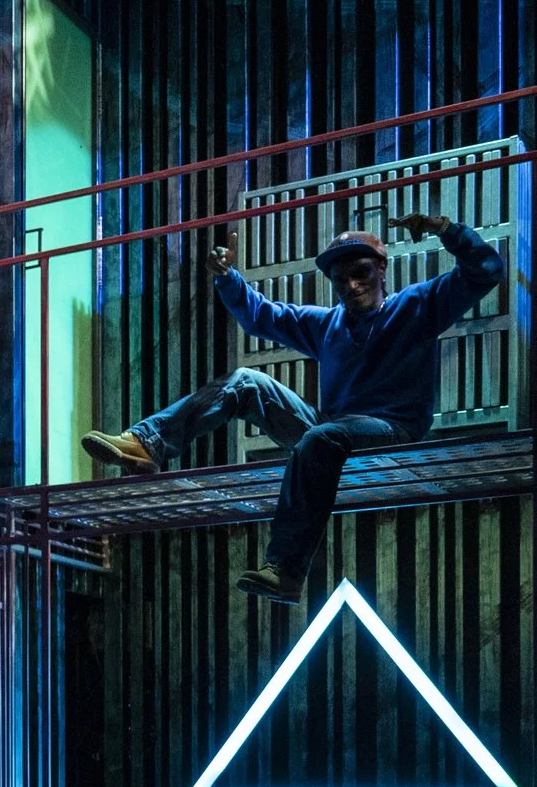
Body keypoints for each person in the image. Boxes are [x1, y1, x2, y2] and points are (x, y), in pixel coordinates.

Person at [80, 214, 504, 605]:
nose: (351, 285)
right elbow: (261, 317)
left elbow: (486, 270)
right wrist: (227, 277)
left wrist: (447, 230)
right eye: (340, 279)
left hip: (392, 431)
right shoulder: (328, 324)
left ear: (381, 268)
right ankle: (148, 443)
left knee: (324, 436)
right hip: (333, 431)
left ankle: (286, 569)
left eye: (360, 273)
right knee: (247, 382)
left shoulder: (415, 307)